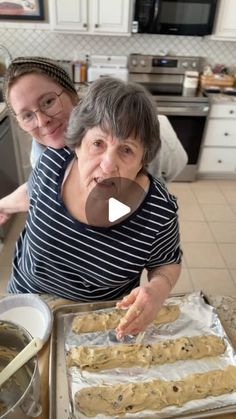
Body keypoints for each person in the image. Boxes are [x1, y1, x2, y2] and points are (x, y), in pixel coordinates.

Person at [4, 74, 182, 338]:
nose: (108, 164)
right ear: (76, 144)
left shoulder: (157, 211)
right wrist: (4, 206)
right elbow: (35, 195)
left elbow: (167, 261)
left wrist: (157, 290)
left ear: (142, 159)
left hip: (94, 319)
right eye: (98, 143)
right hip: (26, 300)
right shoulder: (52, 164)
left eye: (126, 150)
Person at [0, 56, 187, 225]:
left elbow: (175, 165)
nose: (42, 121)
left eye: (48, 102)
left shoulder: (148, 133)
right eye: (26, 115)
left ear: (71, 93)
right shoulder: (42, 155)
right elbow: (38, 191)